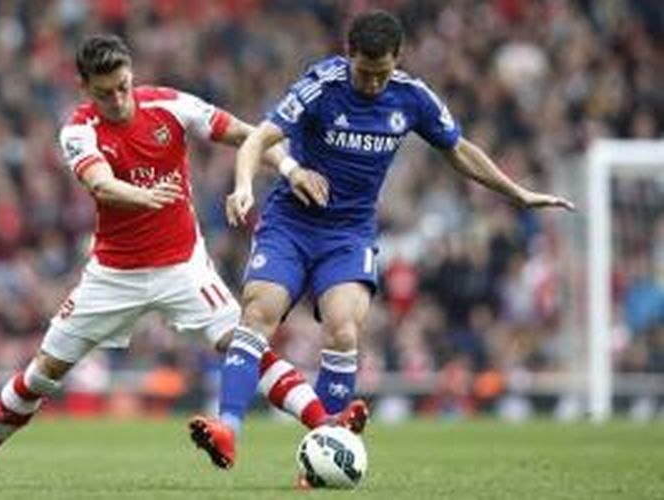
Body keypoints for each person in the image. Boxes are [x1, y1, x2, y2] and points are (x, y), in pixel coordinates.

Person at [0, 34, 364, 488]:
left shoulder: (169, 106)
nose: (119, 100)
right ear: (85, 88)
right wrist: (143, 196)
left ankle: (326, 427)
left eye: (124, 86)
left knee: (246, 344)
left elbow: (248, 134)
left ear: (132, 75)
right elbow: (102, 186)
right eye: (105, 92)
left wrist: (289, 168)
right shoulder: (79, 130)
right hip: (112, 275)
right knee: (45, 372)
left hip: (182, 267)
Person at [190, 10, 574, 470]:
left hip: (349, 234)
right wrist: (245, 186)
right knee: (257, 313)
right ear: (348, 54)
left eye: (382, 73)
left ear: (398, 60)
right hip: (291, 224)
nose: (372, 84)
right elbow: (257, 139)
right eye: (364, 72)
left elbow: (459, 150)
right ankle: (227, 430)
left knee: (344, 328)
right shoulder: (322, 84)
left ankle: (325, 456)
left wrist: (517, 192)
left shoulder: (412, 97)